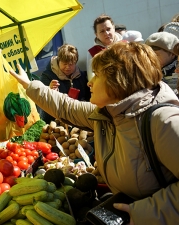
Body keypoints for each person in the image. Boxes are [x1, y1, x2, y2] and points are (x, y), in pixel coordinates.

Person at [10, 41, 179, 224]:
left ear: (118, 82)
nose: (89, 82)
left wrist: (144, 212)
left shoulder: (163, 121)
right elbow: (66, 106)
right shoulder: (110, 114)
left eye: (97, 76)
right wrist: (30, 85)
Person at [39, 43, 90, 123]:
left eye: (71, 64)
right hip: (55, 121)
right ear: (59, 61)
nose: (67, 67)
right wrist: (49, 90)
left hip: (78, 119)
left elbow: (87, 97)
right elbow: (41, 100)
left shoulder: (81, 75)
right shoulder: (47, 76)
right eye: (64, 64)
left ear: (75, 62)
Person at [86, 14, 122, 81]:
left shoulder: (125, 45)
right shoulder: (92, 53)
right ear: (96, 35)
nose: (106, 33)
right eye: (102, 31)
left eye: (108, 29)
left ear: (114, 28)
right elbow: (92, 79)